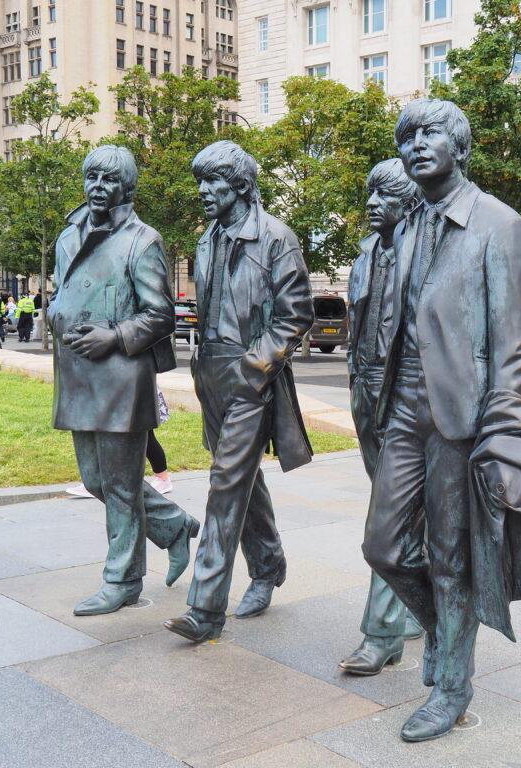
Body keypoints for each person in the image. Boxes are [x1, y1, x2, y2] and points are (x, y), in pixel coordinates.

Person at [361, 99, 521, 742]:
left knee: (451, 555)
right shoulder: (408, 225)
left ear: (460, 147)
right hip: (404, 406)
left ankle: (453, 686)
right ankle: (441, 626)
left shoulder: (499, 224)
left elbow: (514, 342)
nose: (415, 145)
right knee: (382, 545)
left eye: (430, 133)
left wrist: (504, 428)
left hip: (462, 412)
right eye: (406, 137)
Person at [164, 141, 313, 644]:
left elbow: (295, 314)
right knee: (241, 477)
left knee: (225, 484)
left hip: (252, 376)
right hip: (211, 375)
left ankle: (205, 609)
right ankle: (268, 564)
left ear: (242, 186)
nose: (203, 191)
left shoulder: (276, 238)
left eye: (214, 182)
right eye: (200, 182)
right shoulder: (207, 239)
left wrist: (256, 367)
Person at [49, 144, 200, 615]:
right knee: (97, 480)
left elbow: (160, 315)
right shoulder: (68, 236)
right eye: (92, 177)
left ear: (126, 187)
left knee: (118, 486)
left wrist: (113, 336)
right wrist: (56, 311)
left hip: (120, 376)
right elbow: (60, 290)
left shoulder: (143, 240)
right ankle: (174, 525)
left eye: (110, 180)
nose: (98, 187)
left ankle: (123, 580)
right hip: (77, 373)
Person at [338, 159, 423, 678]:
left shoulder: (429, 252)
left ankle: (382, 633)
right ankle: (417, 604)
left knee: (387, 519)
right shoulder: (368, 252)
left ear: (410, 202)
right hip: (366, 390)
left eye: (384, 195)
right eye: (370, 193)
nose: (371, 203)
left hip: (408, 395)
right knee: (400, 510)